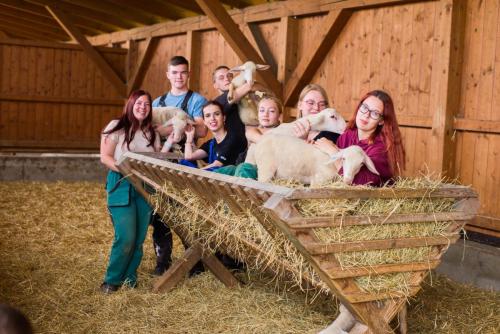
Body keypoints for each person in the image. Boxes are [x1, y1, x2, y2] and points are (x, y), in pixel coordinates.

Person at [150, 56, 208, 276]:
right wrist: (177, 126)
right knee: (160, 210)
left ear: (188, 74)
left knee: (186, 207)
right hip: (161, 159)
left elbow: (201, 131)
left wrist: (167, 130)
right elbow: (150, 131)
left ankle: (194, 260)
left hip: (186, 157)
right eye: (174, 73)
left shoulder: (197, 100)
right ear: (168, 75)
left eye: (183, 72)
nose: (179, 77)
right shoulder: (157, 102)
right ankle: (162, 259)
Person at [99, 89, 161, 293]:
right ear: (131, 105)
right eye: (139, 103)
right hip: (122, 182)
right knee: (125, 236)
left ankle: (130, 278)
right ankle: (112, 280)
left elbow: (157, 160)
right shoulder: (116, 127)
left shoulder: (151, 133)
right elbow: (105, 156)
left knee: (139, 237)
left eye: (147, 104)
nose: (142, 107)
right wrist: (126, 170)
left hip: (145, 185)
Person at [314, 90, 405, 186]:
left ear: (381, 121)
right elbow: (336, 174)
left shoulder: (381, 147)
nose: (366, 115)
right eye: (365, 107)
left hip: (371, 199)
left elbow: (365, 183)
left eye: (375, 113)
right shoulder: (347, 136)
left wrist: (333, 152)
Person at [183, 100, 247, 170]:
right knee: (185, 162)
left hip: (231, 178)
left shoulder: (233, 138)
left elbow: (217, 164)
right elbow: (189, 157)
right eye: (208, 116)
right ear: (204, 122)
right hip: (213, 178)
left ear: (224, 118)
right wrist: (189, 138)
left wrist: (196, 173)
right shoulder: (211, 143)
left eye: (216, 114)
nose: (212, 118)